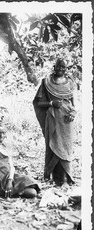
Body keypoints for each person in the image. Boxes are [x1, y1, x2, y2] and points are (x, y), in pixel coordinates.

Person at [33, 58, 77, 186]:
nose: (60, 69)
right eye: (58, 67)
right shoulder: (46, 82)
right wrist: (51, 103)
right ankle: (53, 177)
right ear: (54, 67)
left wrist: (73, 113)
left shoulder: (71, 83)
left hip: (66, 120)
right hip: (52, 118)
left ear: (66, 69)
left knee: (66, 146)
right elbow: (39, 102)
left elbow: (75, 104)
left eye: (63, 67)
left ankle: (67, 177)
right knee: (52, 145)